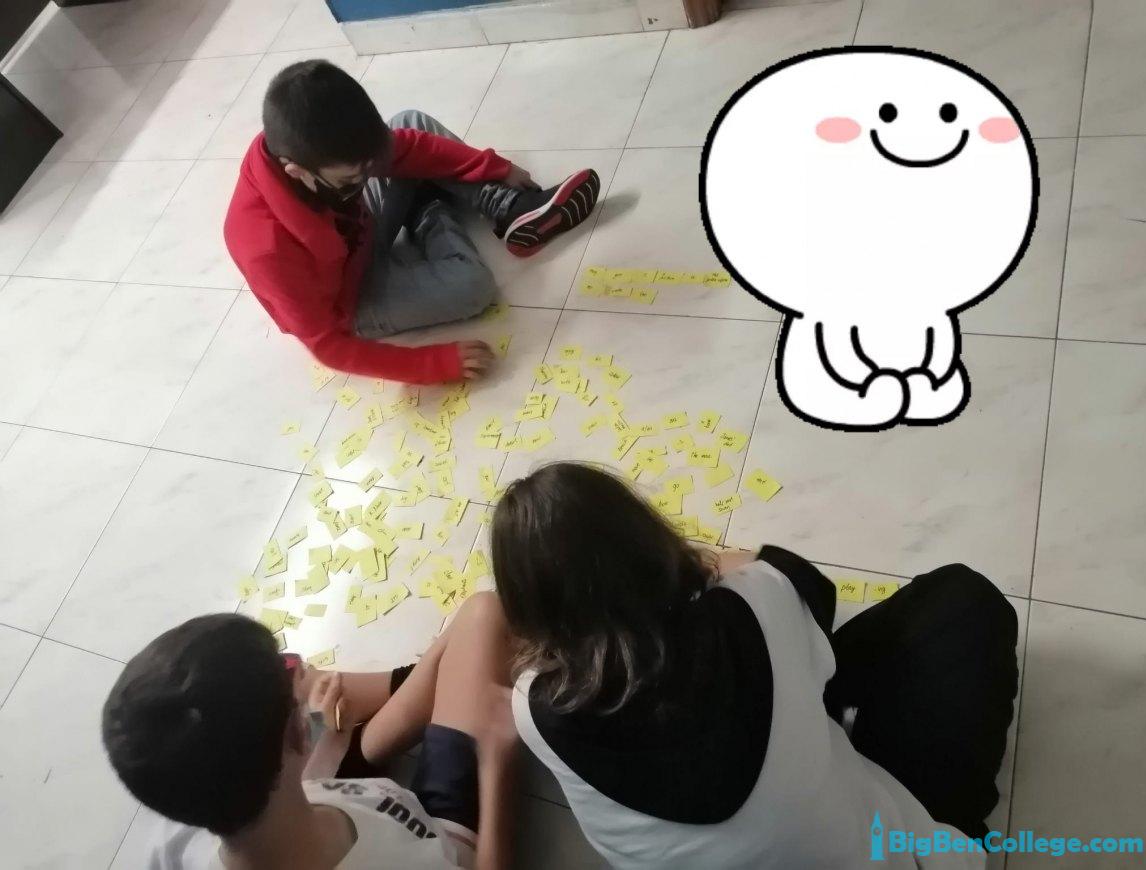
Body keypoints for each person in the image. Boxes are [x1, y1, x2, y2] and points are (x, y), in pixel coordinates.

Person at [491, 462, 1019, 869]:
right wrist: (688, 567)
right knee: (962, 602)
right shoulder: (755, 596)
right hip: (889, 849)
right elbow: (804, 587)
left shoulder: (535, 709)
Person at [224, 59, 600, 385]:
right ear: (297, 171)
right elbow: (330, 346)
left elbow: (404, 148)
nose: (365, 178)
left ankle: (512, 210)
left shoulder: (308, 139)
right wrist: (433, 364)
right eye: (350, 179)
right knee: (472, 287)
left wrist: (493, 168)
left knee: (411, 122)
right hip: (349, 300)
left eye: (369, 168)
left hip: (359, 230)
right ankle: (426, 210)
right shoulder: (266, 250)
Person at [102, 593, 519, 870]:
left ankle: (428, 681)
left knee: (477, 621)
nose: (298, 662)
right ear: (297, 734)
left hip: (332, 789)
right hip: (439, 833)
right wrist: (497, 764)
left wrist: (330, 742)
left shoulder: (179, 832)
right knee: (483, 614)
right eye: (287, 669)